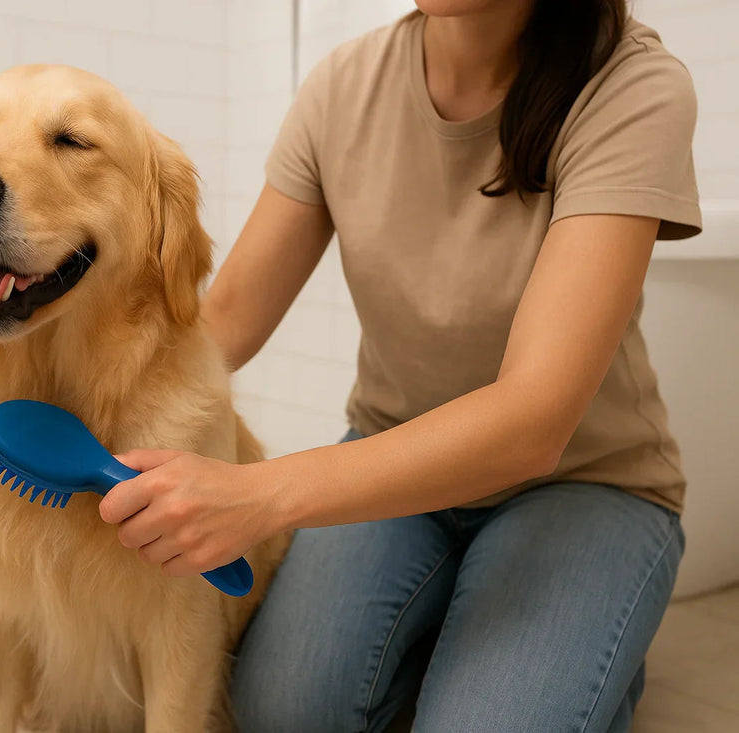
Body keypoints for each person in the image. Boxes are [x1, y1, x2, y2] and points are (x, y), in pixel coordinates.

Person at [98, 0, 701, 729]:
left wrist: (258, 493)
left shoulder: (632, 86)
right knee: (282, 710)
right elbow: (223, 323)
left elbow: (533, 421)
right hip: (394, 462)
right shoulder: (343, 88)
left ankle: (586, 650)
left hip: (581, 481)